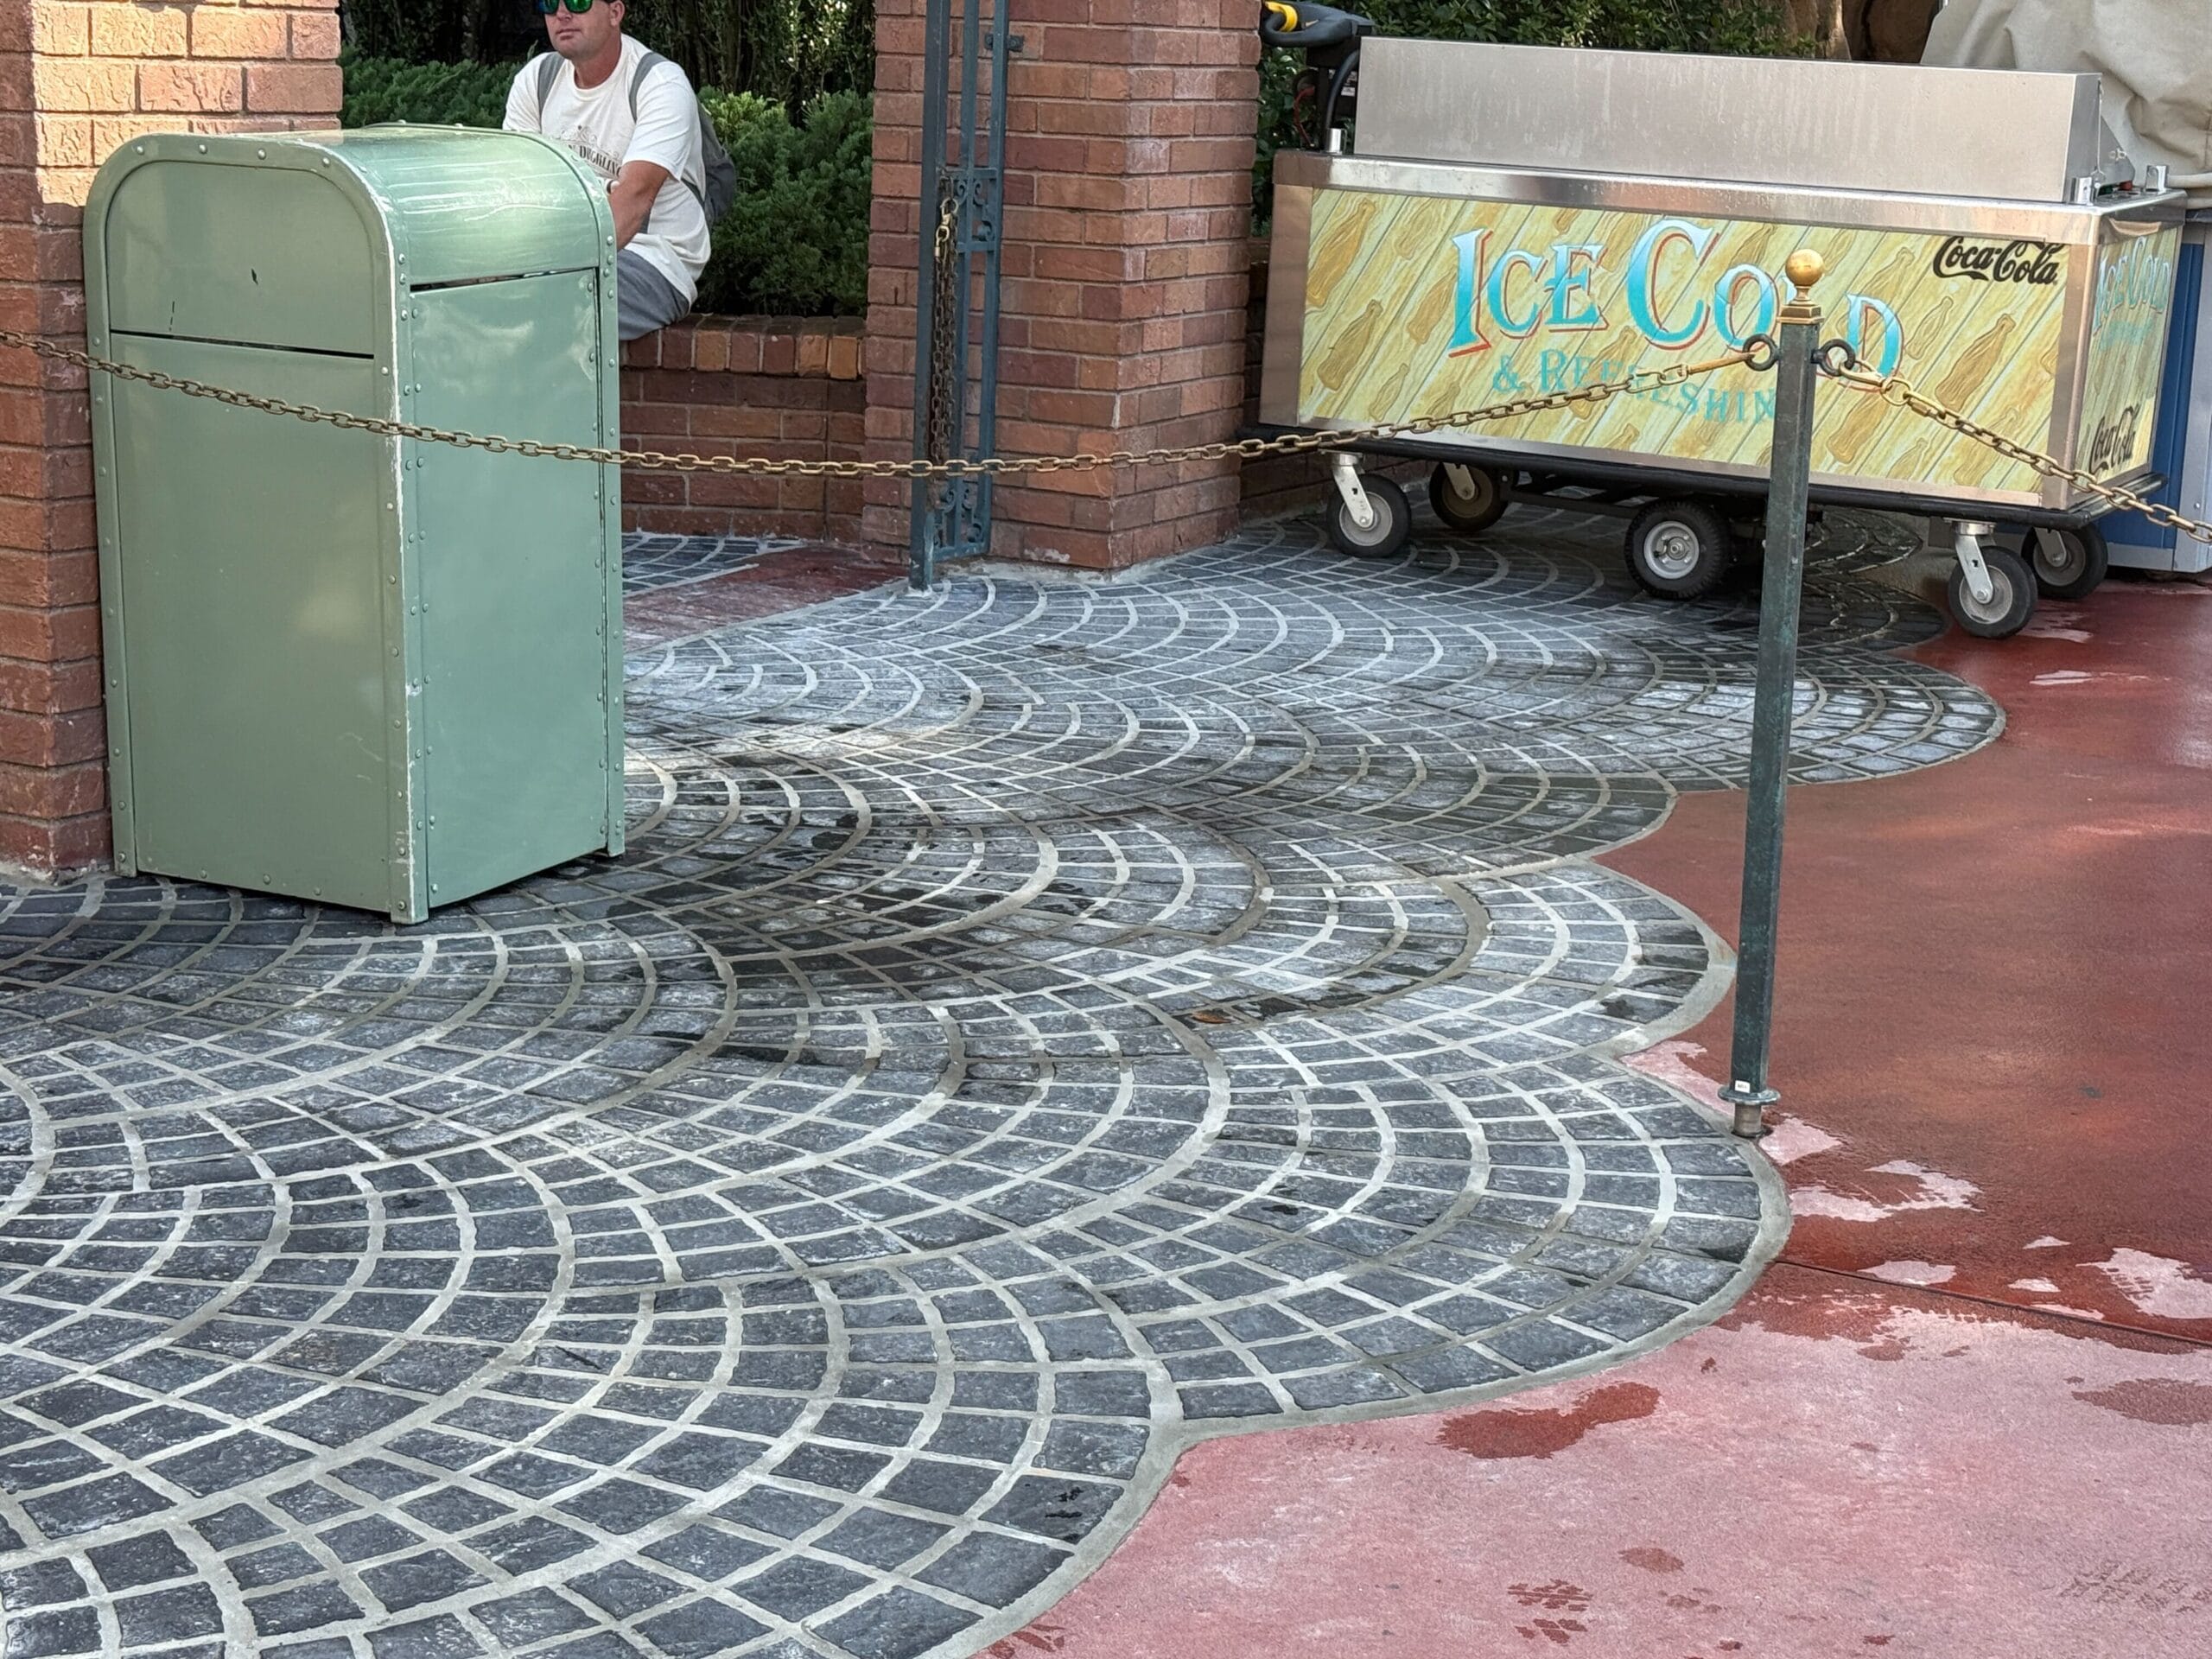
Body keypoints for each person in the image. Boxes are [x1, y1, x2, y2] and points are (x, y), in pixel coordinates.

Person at [503, 0, 709, 341]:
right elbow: (516, 194)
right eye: (549, 3)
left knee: (550, 307)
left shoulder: (659, 84)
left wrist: (541, 270)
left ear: (616, 12)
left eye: (579, 2)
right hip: (555, 258)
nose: (562, 14)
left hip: (652, 259)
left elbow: (632, 203)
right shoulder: (536, 81)